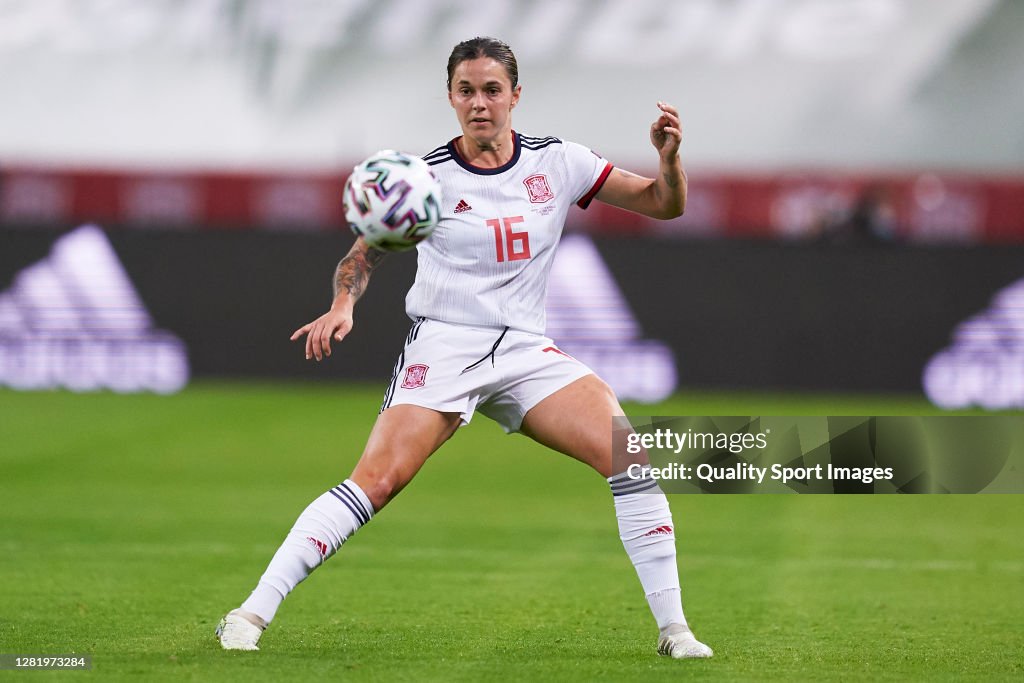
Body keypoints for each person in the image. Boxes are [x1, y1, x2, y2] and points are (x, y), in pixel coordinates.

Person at [216, 36, 712, 660]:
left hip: (525, 351)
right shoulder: (424, 178)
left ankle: (676, 633)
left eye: (492, 90)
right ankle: (249, 614)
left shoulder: (559, 162)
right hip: (444, 346)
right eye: (466, 91)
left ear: (515, 96)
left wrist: (668, 159)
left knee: (629, 459)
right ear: (450, 97)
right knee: (377, 481)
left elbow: (665, 205)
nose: (480, 103)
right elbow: (361, 253)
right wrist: (344, 303)